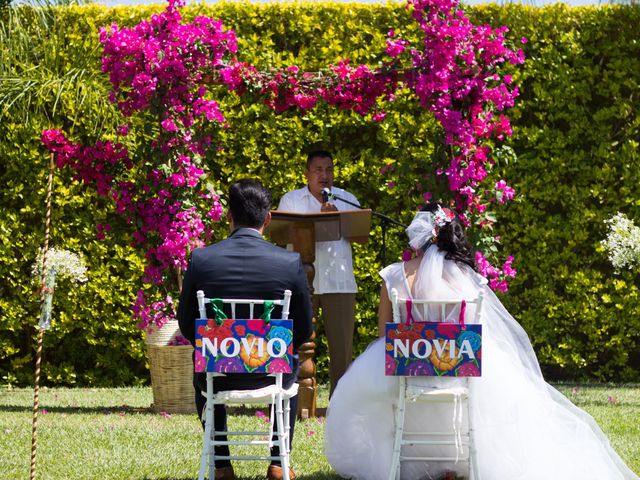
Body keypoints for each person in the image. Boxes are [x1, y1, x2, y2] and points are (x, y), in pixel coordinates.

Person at [324, 203, 639, 480]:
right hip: (458, 373)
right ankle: (457, 455)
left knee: (360, 390)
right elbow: (474, 334)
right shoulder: (469, 279)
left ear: (418, 236)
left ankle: (401, 453)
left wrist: (419, 349)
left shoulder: (393, 275)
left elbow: (385, 335)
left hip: (406, 374)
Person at [177, 179, 313, 480]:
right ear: (268, 218)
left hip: (218, 376)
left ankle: (222, 465)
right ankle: (279, 463)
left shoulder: (202, 259)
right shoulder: (289, 262)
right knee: (290, 360)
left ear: (229, 216)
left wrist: (227, 347)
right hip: (271, 371)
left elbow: (188, 324)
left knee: (205, 359)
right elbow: (303, 329)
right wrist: (265, 349)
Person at [277, 150, 360, 395]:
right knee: (297, 342)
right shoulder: (291, 201)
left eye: (329, 170)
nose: (325, 175)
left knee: (341, 349)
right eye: (318, 170)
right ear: (307, 174)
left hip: (339, 283)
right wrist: (318, 222)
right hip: (303, 282)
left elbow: (360, 234)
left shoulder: (347, 199)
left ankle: (339, 403)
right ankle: (295, 399)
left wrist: (338, 219)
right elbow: (282, 236)